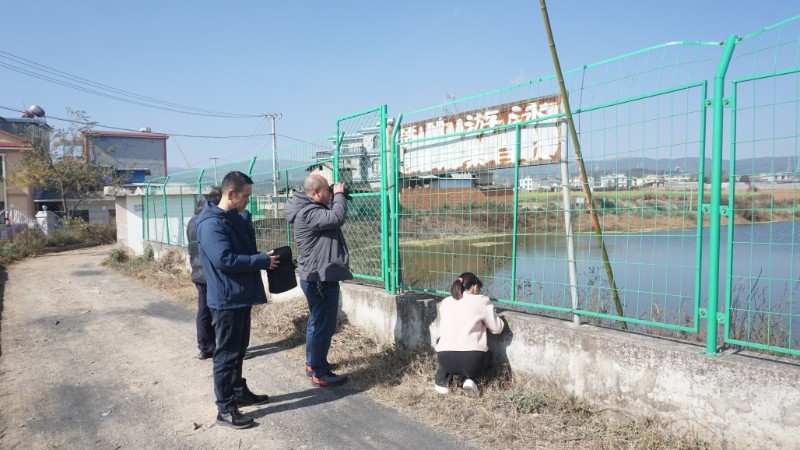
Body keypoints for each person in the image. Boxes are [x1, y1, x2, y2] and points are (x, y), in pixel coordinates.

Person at [196, 171, 279, 429]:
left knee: (238, 351)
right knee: (226, 355)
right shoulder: (211, 223)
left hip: (240, 296)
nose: (248, 202)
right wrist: (260, 260)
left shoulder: (232, 218)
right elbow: (225, 260)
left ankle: (238, 391)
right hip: (226, 299)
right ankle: (225, 409)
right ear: (230, 194)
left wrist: (259, 255)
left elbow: (242, 249)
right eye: (245, 197)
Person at [284, 174, 352, 387]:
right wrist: (339, 195)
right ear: (316, 192)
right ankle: (320, 373)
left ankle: (313, 364)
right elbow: (337, 217)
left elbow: (331, 213)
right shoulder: (309, 213)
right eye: (327, 191)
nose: (330, 194)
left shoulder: (310, 209)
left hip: (316, 276)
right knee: (324, 325)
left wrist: (337, 196)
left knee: (317, 323)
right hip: (319, 279)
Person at [433, 272, 505, 397]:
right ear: (475, 286)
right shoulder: (481, 301)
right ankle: (470, 379)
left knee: (442, 341)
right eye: (479, 289)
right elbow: (497, 328)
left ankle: (441, 380)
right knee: (488, 355)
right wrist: (494, 313)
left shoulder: (445, 302)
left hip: (444, 359)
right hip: (472, 361)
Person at [186, 187, 222, 360]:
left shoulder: (192, 221)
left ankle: (205, 348)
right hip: (211, 272)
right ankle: (224, 348)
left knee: (203, 310)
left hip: (197, 272)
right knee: (220, 312)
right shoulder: (210, 220)